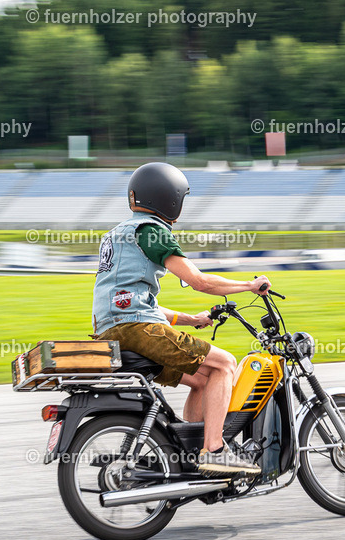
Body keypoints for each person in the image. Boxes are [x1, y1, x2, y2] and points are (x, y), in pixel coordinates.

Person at [92, 162, 270, 475]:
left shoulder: (118, 234)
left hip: (113, 329)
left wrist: (194, 320)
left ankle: (191, 453)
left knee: (203, 379)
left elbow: (136, 302)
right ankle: (215, 449)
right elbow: (200, 282)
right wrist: (249, 285)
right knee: (225, 364)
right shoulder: (152, 232)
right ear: (169, 199)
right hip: (137, 329)